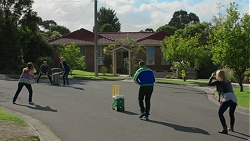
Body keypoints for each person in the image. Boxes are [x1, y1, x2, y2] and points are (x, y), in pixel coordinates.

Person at [208, 70, 237, 134]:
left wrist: (211, 77)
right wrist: (222, 99)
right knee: (231, 114)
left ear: (218, 75)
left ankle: (225, 129)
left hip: (227, 98)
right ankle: (232, 128)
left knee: (220, 113)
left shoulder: (220, 81)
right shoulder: (228, 82)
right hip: (234, 98)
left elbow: (209, 84)